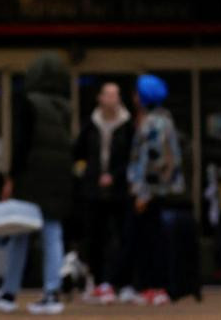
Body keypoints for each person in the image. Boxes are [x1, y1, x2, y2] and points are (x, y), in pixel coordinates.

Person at [0, 52, 73, 316]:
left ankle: (9, 292)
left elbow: (21, 143)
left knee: (19, 233)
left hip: (31, 176)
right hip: (58, 177)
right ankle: (51, 292)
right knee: (53, 233)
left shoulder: (29, 103)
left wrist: (11, 177)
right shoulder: (65, 107)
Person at [125, 74, 184, 307]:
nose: (134, 97)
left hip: (151, 191)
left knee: (151, 239)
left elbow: (151, 159)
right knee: (154, 238)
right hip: (158, 190)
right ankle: (155, 286)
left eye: (137, 93)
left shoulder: (152, 123)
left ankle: (156, 287)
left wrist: (143, 193)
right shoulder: (162, 119)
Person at [75, 82, 133, 303]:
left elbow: (131, 157)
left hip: (118, 191)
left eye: (115, 95)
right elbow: (79, 153)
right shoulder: (91, 124)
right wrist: (89, 174)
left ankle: (117, 282)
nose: (111, 99)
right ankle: (98, 282)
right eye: (107, 94)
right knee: (94, 236)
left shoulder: (127, 125)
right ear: (100, 98)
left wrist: (116, 176)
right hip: (93, 190)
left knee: (117, 237)